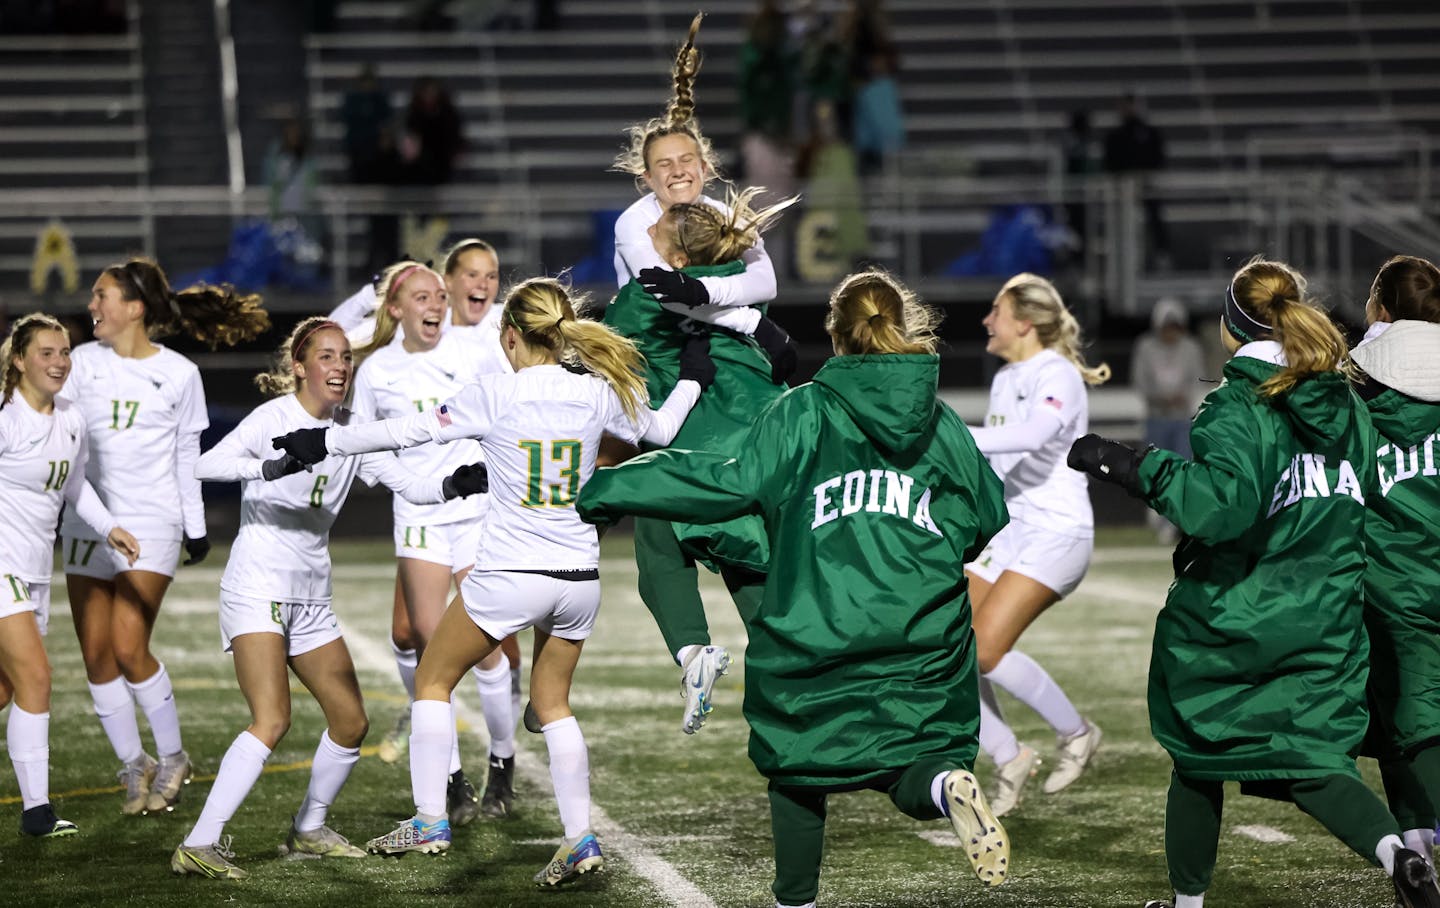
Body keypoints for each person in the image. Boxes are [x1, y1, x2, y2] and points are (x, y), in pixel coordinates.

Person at [577, 269, 1013, 907]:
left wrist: (608, 486)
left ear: (835, 337)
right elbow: (987, 514)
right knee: (916, 756)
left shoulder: (801, 411)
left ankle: (796, 900)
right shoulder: (941, 423)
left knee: (798, 767)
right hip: (924, 634)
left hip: (819, 625)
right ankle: (947, 787)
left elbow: (727, 485)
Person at [270, 276, 711, 885]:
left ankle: (429, 817)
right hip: (580, 578)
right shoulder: (596, 391)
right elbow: (661, 431)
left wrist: (324, 440)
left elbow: (405, 431)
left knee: (431, 680)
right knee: (553, 703)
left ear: (510, 337)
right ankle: (579, 838)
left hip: (510, 572)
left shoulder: (494, 393)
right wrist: (693, 377)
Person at [1069, 257, 1440, 908]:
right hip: (1330, 619)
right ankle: (1397, 853)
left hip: (1244, 616)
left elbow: (1220, 509)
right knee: (1313, 760)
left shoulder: (1236, 407)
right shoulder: (1347, 405)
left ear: (1231, 329)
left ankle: (1188, 906)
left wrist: (1133, 465)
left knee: (1196, 752)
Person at [171, 317, 489, 880]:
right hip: (259, 584)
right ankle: (199, 841)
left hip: (312, 593)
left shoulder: (350, 429)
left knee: (349, 721)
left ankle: (309, 828)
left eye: (345, 357)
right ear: (299, 366)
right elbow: (205, 464)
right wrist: (269, 466)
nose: (340, 366)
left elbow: (404, 482)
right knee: (272, 719)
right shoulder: (275, 417)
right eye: (326, 356)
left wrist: (451, 484)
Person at [610, 12, 799, 733]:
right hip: (685, 363)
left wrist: (736, 309)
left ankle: (707, 650)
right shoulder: (636, 225)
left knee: (667, 516)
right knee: (724, 517)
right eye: (664, 166)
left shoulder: (717, 210)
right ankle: (781, 654)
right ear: (645, 175)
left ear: (706, 163)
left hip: (702, 377)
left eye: (687, 160)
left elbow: (763, 282)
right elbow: (674, 293)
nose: (677, 171)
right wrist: (750, 319)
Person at [59, 257, 269, 816]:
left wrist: (195, 529)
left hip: (151, 521)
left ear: (135, 307)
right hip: (86, 521)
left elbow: (185, 458)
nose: (92, 306)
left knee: (129, 646)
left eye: (102, 295)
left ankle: (173, 756)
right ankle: (136, 764)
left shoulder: (178, 373)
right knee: (98, 658)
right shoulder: (80, 364)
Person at [349, 259, 517, 820]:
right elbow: (365, 448)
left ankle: (503, 763)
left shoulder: (474, 350)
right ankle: (451, 779)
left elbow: (513, 405)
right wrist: (415, 485)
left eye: (438, 297)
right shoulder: (377, 371)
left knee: (487, 648)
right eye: (422, 297)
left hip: (475, 514)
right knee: (429, 652)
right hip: (420, 519)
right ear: (395, 309)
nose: (436, 305)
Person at [964, 273, 1107, 817]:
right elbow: (999, 464)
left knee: (983, 649)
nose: (987, 320)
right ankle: (1007, 755)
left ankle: (1076, 732)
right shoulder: (1006, 379)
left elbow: (1028, 438)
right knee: (942, 648)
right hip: (1012, 531)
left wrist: (945, 430)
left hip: (1057, 533)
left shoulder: (1058, 374)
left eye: (995, 310)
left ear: (1024, 321)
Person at [0, 313, 139, 838]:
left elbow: (76, 487)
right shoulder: (5, 417)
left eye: (65, 353)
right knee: (36, 678)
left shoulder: (72, 418)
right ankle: (36, 812)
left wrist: (110, 529)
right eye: (46, 353)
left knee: (6, 689)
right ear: (19, 360)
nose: (59, 362)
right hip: (2, 566)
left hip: (34, 571)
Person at [1348, 255, 1440, 866]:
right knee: (1403, 717)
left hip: (1392, 582)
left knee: (1407, 715)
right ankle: (1417, 839)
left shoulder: (1355, 398)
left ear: (1380, 310)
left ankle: (1418, 834)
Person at [1131, 296, 1205, 543]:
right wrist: (1159, 398)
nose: (1171, 332)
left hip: (1182, 418)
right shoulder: (1145, 347)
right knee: (1155, 469)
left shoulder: (1190, 348)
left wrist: (1181, 397)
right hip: (1156, 418)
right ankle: (1159, 516)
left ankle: (1178, 521)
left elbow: (1198, 377)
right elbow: (1139, 380)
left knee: (1182, 468)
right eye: (1166, 326)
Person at [1103, 92, 1169, 268]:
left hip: (1146, 185)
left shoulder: (1148, 132)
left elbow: (1158, 158)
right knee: (1123, 226)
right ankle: (1122, 262)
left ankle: (1162, 255)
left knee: (1154, 219)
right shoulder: (1115, 135)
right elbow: (1109, 163)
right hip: (1123, 188)